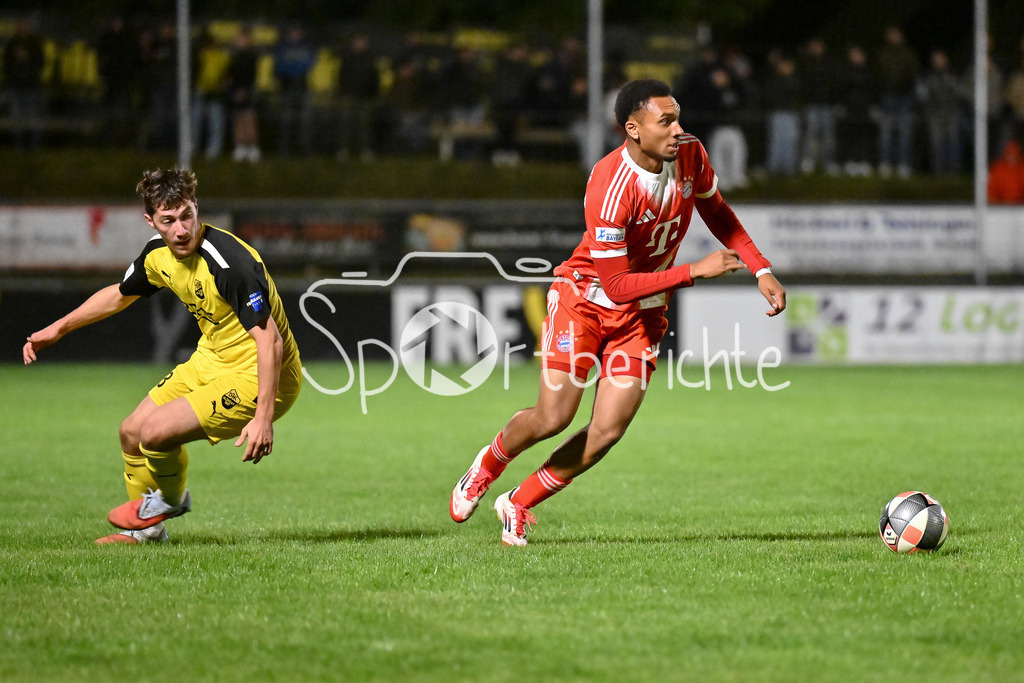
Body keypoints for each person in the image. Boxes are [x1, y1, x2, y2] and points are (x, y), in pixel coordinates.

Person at [449, 79, 786, 546]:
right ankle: (487, 465)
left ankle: (518, 503)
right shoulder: (611, 187)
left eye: (678, 117)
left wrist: (760, 268)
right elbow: (616, 284)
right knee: (554, 417)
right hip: (584, 302)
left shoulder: (689, 153)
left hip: (641, 315)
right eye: (665, 121)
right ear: (633, 128)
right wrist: (693, 272)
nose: (678, 129)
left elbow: (719, 212)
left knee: (607, 429)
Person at [22, 168, 302, 544]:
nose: (181, 230)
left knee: (155, 434)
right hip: (212, 359)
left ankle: (170, 501)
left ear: (196, 208)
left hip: (262, 373)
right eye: (168, 221)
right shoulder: (158, 254)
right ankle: (148, 532)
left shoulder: (229, 263)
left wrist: (264, 417)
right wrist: (58, 328)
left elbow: (271, 342)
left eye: (186, 216)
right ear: (150, 221)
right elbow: (120, 293)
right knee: (131, 433)